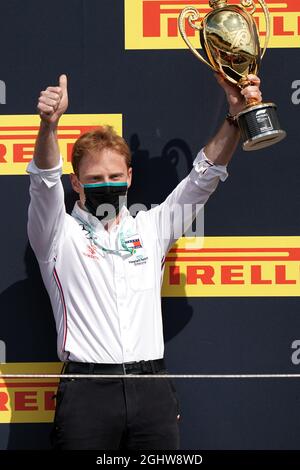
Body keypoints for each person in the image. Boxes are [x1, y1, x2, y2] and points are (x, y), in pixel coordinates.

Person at [27, 73, 262, 450]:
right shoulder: (56, 233)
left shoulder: (152, 228)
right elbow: (43, 181)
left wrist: (235, 117)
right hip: (88, 392)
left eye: (115, 176)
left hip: (152, 389)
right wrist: (48, 126)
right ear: (76, 183)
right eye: (95, 177)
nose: (107, 183)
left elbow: (203, 178)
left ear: (130, 177)